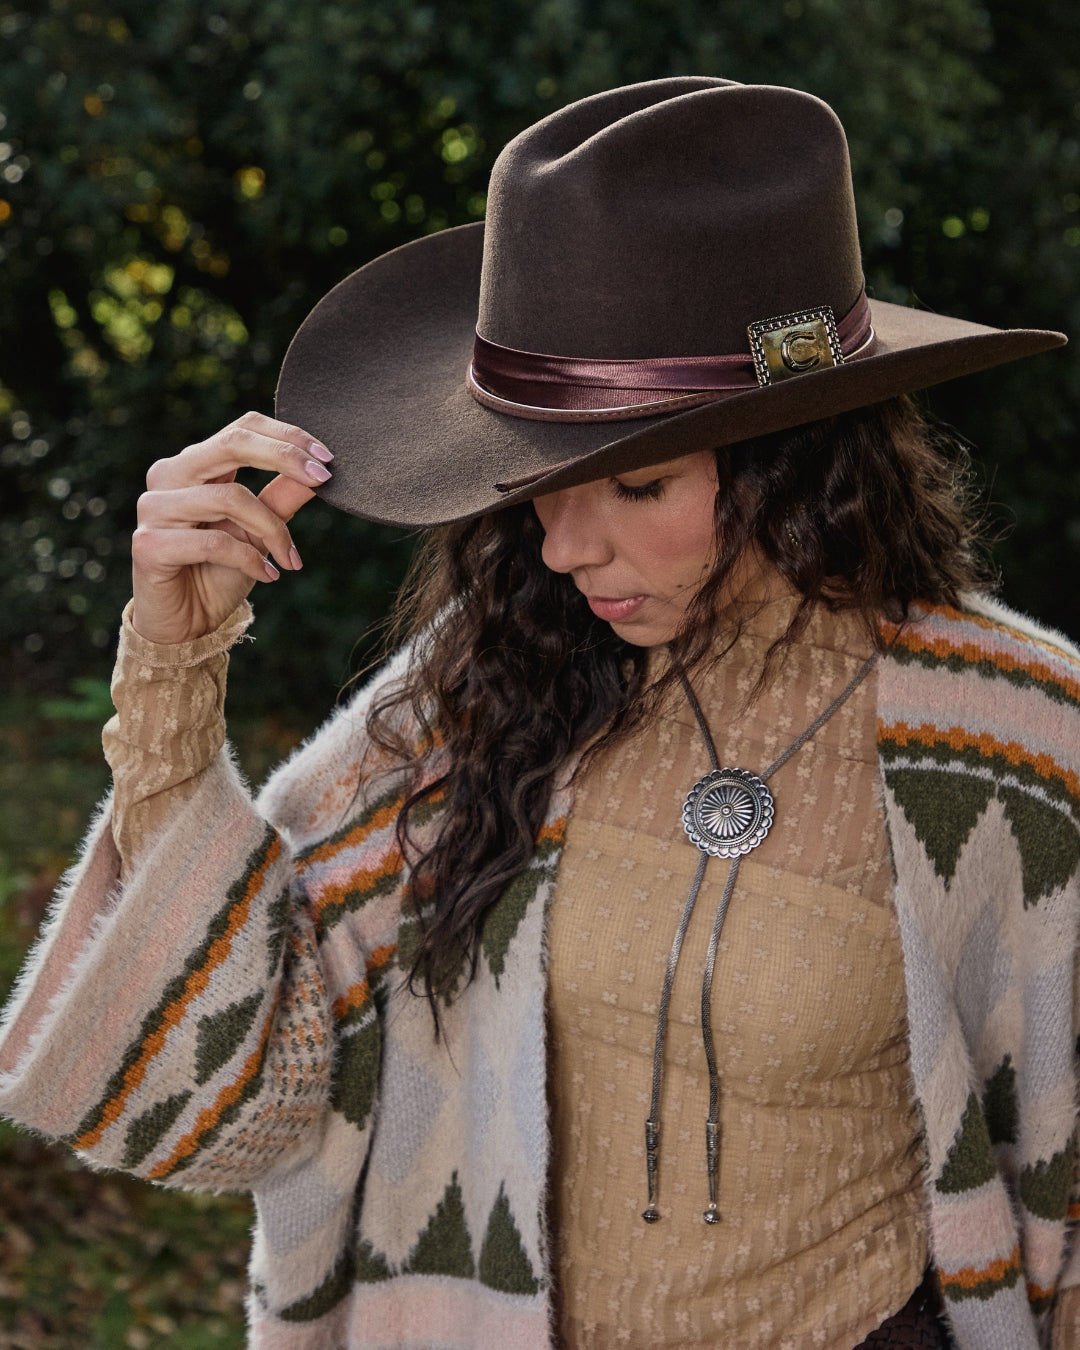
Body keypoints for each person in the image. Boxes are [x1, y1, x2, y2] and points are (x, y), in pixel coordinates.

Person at [0, 76, 1077, 1350]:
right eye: (535, 482)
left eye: (637, 482)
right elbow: (218, 1099)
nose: (564, 549)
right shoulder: (486, 696)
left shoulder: (1022, 743)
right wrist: (175, 673)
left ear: (803, 458)